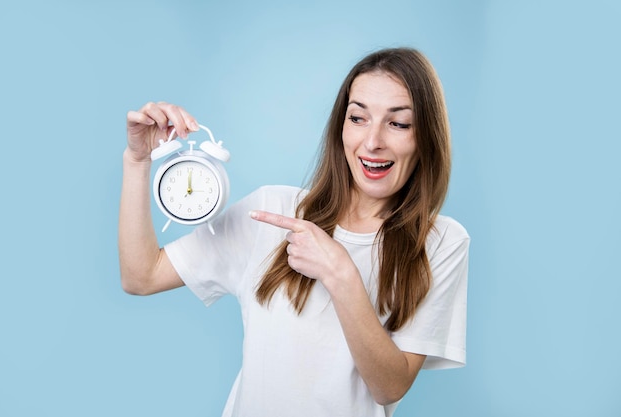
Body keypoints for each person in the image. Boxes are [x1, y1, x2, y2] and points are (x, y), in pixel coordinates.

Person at [119, 47, 470, 417]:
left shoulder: (441, 243)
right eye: (358, 118)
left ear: (425, 136)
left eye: (398, 123)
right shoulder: (273, 211)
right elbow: (141, 276)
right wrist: (137, 160)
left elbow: (389, 387)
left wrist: (341, 274)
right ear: (341, 126)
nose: (372, 142)